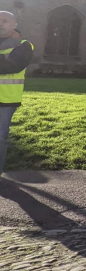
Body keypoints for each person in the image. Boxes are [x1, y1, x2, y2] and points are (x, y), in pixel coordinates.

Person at [0, 12, 33, 177]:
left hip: (6, 101)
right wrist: (3, 57)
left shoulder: (24, 45)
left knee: (0, 138)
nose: (0, 23)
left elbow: (12, 66)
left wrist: (7, 60)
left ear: (14, 24)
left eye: (4, 21)